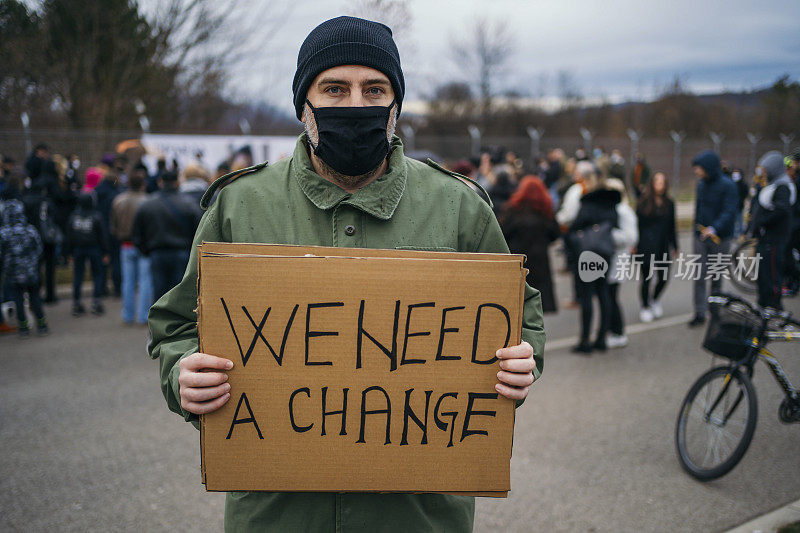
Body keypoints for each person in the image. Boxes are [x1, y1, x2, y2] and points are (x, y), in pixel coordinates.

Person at [147, 16, 544, 532]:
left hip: (419, 517)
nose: (357, 105)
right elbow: (177, 326)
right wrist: (182, 374)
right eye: (334, 89)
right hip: (277, 516)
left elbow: (521, 316)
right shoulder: (239, 205)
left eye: (374, 89)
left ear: (396, 105)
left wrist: (523, 360)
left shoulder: (459, 207)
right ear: (304, 106)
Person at [568, 163, 618, 353]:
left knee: (587, 295)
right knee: (603, 292)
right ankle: (601, 338)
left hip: (588, 253)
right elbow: (615, 224)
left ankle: (585, 340)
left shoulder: (588, 201)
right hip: (605, 251)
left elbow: (576, 226)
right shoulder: (612, 202)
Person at [132, 171, 202, 300]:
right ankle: (176, 320)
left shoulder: (147, 204)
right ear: (177, 182)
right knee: (179, 294)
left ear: (160, 182)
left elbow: (137, 233)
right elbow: (198, 232)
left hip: (157, 252)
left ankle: (159, 319)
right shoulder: (189, 204)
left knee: (159, 293)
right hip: (182, 253)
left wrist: (146, 251)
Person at [688, 150, 738, 327]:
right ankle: (699, 312)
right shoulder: (701, 184)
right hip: (700, 236)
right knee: (699, 275)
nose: (696, 171)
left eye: (699, 168)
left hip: (721, 238)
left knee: (716, 275)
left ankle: (715, 310)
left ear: (708, 167)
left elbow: (729, 211)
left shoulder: (728, 186)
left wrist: (715, 228)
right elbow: (699, 208)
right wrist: (697, 228)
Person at [499, 176, 559, 313]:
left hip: (519, 260)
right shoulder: (545, 211)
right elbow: (555, 234)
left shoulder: (513, 210)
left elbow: (503, 233)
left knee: (518, 303)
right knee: (538, 303)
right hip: (540, 260)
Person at [749, 151, 796, 310]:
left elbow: (782, 210)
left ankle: (775, 308)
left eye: (765, 169)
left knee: (772, 276)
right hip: (765, 240)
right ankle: (763, 304)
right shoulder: (771, 184)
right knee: (763, 275)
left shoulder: (783, 187)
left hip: (774, 240)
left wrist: (762, 222)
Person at [0, 199, 48, 336]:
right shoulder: (30, 230)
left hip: (13, 274)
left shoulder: (3, 233)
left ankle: (23, 328)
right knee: (35, 298)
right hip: (30, 271)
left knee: (18, 300)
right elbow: (39, 250)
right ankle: (42, 324)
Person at [110, 167, 152, 325]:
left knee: (127, 281)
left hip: (125, 244)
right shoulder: (147, 201)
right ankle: (143, 315)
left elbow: (113, 226)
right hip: (144, 246)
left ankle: (127, 315)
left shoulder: (118, 200)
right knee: (145, 281)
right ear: (143, 184)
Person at [636, 172, 677, 322]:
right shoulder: (643, 202)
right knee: (646, 277)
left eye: (662, 182)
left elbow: (672, 226)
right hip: (646, 244)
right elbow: (637, 225)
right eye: (657, 182)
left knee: (664, 276)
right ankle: (645, 306)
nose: (660, 185)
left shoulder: (669, 203)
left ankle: (654, 299)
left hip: (663, 244)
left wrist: (675, 246)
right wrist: (635, 245)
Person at [605, 178, 638, 348]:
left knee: (612, 296)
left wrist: (608, 235)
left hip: (619, 260)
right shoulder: (611, 209)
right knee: (608, 296)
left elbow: (631, 237)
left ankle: (618, 332)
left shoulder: (624, 211)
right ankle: (611, 330)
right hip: (610, 260)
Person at [66, 193, 108, 316]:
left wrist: (69, 252)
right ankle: (96, 302)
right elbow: (102, 236)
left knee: (78, 275)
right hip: (94, 248)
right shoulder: (96, 216)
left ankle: (76, 303)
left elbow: (69, 236)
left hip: (78, 249)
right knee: (98, 274)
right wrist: (105, 251)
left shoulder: (74, 217)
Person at [93, 163, 122, 297]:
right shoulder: (118, 193)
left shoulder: (98, 191)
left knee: (102, 260)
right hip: (115, 230)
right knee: (116, 260)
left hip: (101, 230)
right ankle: (117, 288)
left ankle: (102, 288)